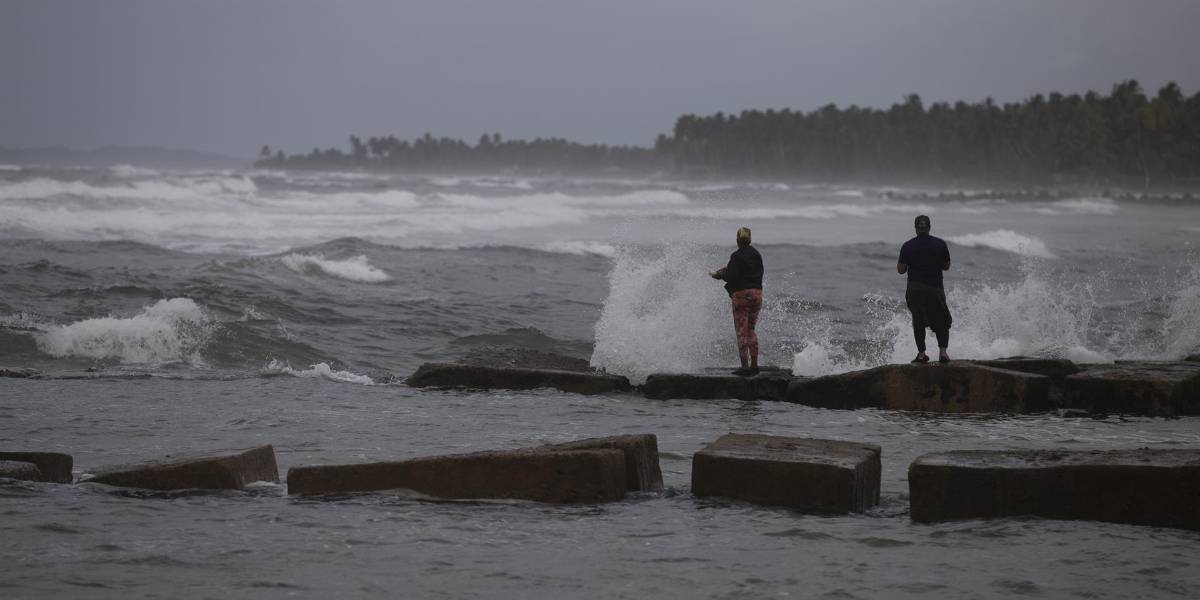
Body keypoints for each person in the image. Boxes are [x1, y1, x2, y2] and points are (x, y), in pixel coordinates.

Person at [897, 215, 952, 363]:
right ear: (929, 228)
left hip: (915, 289)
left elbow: (901, 270)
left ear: (916, 229)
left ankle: (921, 355)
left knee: (918, 320)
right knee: (941, 320)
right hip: (935, 288)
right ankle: (943, 353)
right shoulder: (940, 244)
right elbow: (946, 266)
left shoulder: (907, 246)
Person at [710, 227, 764, 376]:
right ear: (750, 240)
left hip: (742, 296)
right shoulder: (756, 254)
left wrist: (719, 275)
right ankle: (754, 365)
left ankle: (745, 367)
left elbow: (732, 276)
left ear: (737, 240)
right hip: (757, 294)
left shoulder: (736, 256)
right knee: (751, 330)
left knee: (741, 331)